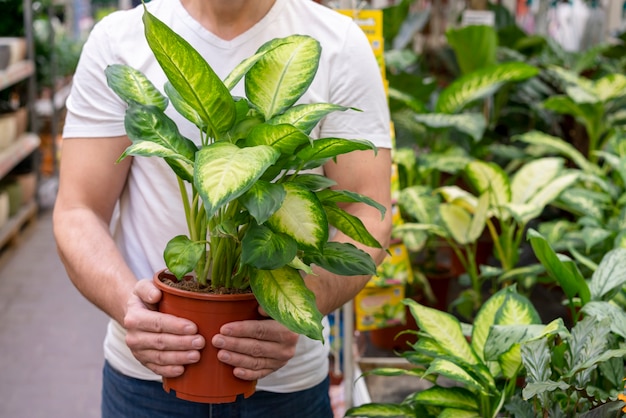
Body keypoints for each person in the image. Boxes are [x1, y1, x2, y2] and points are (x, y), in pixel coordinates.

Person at [52, 0, 392, 417]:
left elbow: (369, 211)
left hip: (285, 388)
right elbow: (77, 210)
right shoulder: (119, 40)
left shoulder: (338, 42)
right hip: (146, 384)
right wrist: (130, 308)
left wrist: (301, 305)